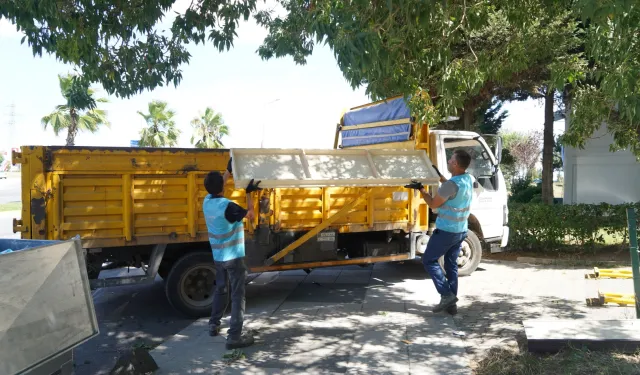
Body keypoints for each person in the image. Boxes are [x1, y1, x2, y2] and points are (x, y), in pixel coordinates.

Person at [405, 149, 473, 314]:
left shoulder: (450, 185)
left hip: (446, 231)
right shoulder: (467, 179)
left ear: (456, 164)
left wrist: (421, 189)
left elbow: (433, 204)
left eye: (451, 160)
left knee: (429, 260)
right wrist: (439, 176)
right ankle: (451, 306)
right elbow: (451, 187)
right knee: (451, 266)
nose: (449, 161)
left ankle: (446, 294)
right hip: (461, 230)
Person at [203, 157, 262, 349]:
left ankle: (214, 324)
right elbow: (251, 215)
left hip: (218, 257)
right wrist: (249, 194)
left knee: (221, 289)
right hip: (233, 257)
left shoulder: (207, 201)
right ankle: (234, 336)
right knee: (238, 295)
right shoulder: (229, 207)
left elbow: (220, 187)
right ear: (221, 187)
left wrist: (227, 172)